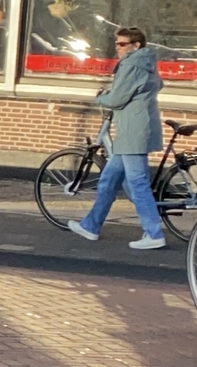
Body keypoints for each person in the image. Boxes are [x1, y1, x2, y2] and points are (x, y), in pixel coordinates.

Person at [70, 28, 169, 249]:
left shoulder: (132, 64)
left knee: (137, 182)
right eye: (117, 43)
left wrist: (101, 98)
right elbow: (153, 86)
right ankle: (91, 226)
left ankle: (153, 233)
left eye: (122, 44)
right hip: (135, 128)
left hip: (133, 131)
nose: (118, 47)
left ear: (136, 45)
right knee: (108, 179)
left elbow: (117, 99)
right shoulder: (147, 62)